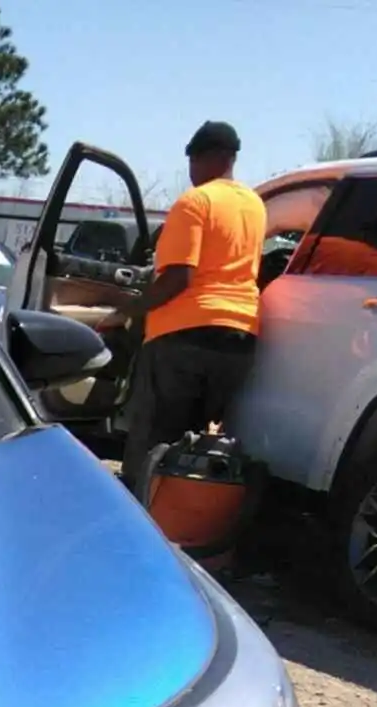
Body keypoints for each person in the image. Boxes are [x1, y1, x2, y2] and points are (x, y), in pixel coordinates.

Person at [119, 121, 267, 499]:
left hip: (183, 336)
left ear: (202, 158)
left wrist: (129, 310)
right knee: (201, 444)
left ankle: (141, 518)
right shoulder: (255, 205)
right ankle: (187, 519)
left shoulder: (195, 202)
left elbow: (178, 278)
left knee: (154, 441)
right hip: (240, 339)